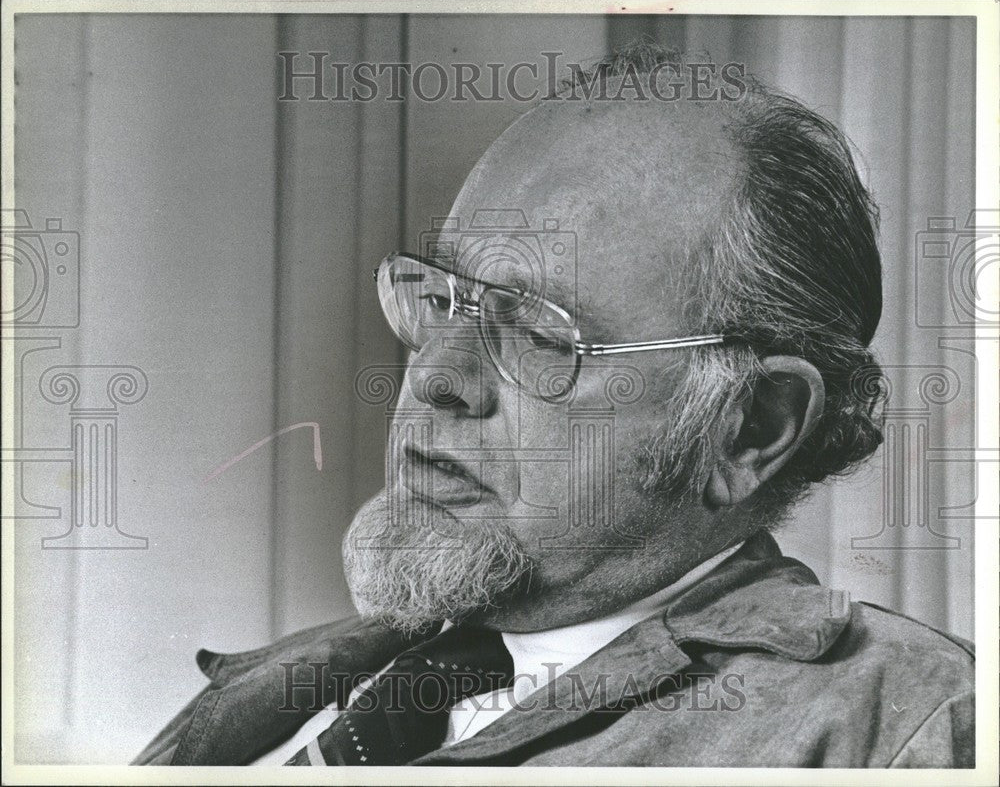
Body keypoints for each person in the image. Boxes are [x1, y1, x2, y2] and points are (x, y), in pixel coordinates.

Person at [134, 44, 974, 768]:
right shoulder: (310, 678)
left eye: (538, 333)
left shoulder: (909, 730)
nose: (436, 377)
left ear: (752, 426)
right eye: (444, 299)